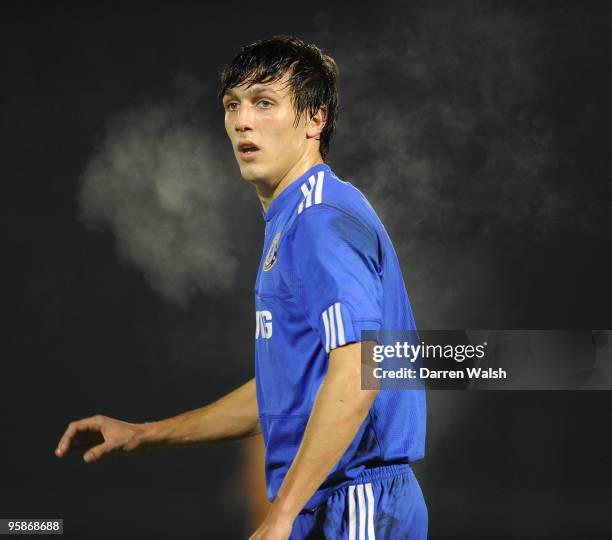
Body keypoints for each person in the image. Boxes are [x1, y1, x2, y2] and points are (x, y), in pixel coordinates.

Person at [56, 35, 427, 540]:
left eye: (265, 103)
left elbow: (359, 373)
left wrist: (279, 516)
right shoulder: (293, 217)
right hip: (328, 502)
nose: (242, 120)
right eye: (233, 104)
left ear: (315, 119)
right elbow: (284, 392)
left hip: (355, 504)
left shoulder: (319, 221)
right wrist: (144, 434)